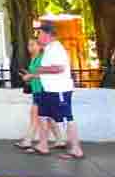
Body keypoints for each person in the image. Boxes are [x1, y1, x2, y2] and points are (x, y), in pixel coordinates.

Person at [28, 22, 84, 159]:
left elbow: (59, 68)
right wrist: (32, 75)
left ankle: (76, 149)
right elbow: (49, 69)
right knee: (42, 116)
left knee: (67, 119)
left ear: (47, 34)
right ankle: (43, 145)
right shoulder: (48, 49)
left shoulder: (56, 49)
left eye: (39, 33)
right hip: (48, 91)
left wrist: (40, 70)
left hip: (59, 91)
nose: (38, 36)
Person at [16, 38, 64, 150]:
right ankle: (60, 140)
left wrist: (31, 76)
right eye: (28, 45)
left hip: (43, 90)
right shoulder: (34, 59)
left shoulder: (43, 58)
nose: (30, 47)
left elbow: (46, 74)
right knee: (48, 118)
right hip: (36, 90)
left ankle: (28, 141)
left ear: (40, 46)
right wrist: (27, 77)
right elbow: (34, 75)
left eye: (32, 44)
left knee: (35, 116)